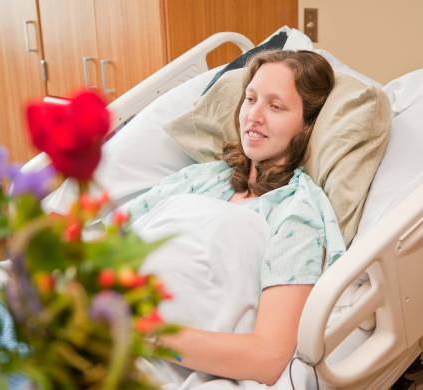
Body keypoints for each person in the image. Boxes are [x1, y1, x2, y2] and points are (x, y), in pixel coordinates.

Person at [127, 50, 345, 386]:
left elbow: (267, 357)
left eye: (275, 106)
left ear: (307, 125)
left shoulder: (295, 213)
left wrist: (139, 331)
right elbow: (116, 235)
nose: (253, 116)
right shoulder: (202, 178)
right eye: (251, 99)